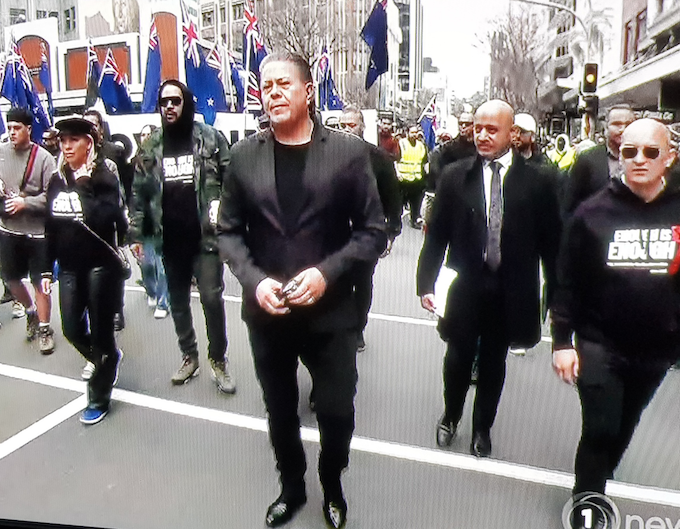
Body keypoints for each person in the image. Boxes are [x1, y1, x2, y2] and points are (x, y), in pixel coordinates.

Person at [218, 51, 386, 529]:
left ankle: (332, 483)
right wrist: (255, 282)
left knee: (337, 412)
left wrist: (326, 274)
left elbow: (373, 231)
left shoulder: (349, 154)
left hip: (331, 313)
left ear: (308, 91)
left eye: (282, 84)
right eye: (265, 86)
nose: (272, 93)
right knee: (279, 411)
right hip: (268, 313)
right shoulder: (242, 156)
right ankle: (291, 487)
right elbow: (228, 232)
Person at [551, 119, 680, 529]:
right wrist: (561, 341)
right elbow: (567, 281)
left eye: (650, 152)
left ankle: (598, 477)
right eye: (629, 152)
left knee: (625, 424)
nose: (639, 160)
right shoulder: (592, 213)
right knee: (601, 426)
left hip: (658, 349)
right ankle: (586, 504)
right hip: (600, 343)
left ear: (670, 158)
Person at [416, 100, 562, 458]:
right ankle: (451, 415)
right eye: (477, 128)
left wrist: (555, 296)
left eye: (491, 129)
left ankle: (482, 428)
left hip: (510, 288)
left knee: (495, 361)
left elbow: (552, 244)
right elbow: (437, 236)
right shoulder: (454, 177)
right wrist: (425, 283)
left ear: (512, 134)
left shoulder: (539, 182)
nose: (481, 135)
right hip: (465, 285)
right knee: (458, 357)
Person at [129, 80, 235, 394]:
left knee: (212, 299)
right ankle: (189, 356)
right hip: (169, 239)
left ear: (186, 103)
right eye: (164, 103)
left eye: (175, 101)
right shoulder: (152, 146)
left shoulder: (210, 138)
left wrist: (228, 221)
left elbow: (231, 181)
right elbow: (140, 192)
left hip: (205, 239)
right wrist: (138, 234)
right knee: (177, 302)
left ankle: (218, 360)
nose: (169, 107)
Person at [43, 117, 126, 424]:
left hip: (100, 267)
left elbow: (107, 221)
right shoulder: (56, 179)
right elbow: (50, 225)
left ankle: (99, 395)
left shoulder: (104, 176)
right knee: (71, 329)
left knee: (103, 334)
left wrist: (84, 186)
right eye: (62, 140)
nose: (66, 146)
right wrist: (43, 267)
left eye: (73, 140)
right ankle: (107, 360)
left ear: (88, 144)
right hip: (67, 267)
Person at [339, 106, 401, 352]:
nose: (345, 130)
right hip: (335, 233)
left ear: (362, 127)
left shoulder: (379, 158)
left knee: (362, 282)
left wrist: (391, 230)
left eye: (350, 125)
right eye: (341, 125)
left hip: (367, 232)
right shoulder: (327, 155)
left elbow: (392, 197)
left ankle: (357, 329)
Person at [0, 107, 57, 354]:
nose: (12, 132)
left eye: (17, 128)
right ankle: (30, 312)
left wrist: (27, 202)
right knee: (11, 279)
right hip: (8, 229)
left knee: (40, 282)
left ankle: (45, 329)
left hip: (38, 232)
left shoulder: (44, 158)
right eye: (9, 128)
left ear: (29, 130)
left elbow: (54, 197)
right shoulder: (0, 154)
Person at [84, 109, 132, 332]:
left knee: (113, 265)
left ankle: (117, 309)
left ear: (101, 129)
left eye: (93, 125)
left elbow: (125, 184)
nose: (90, 129)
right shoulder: (72, 155)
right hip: (84, 223)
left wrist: (125, 214)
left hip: (111, 219)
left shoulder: (113, 153)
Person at [563, 104, 636, 216]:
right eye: (617, 124)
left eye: (628, 124)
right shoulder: (588, 159)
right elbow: (570, 204)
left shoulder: (647, 158)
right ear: (606, 127)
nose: (623, 129)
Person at [131, 124, 168, 319]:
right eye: (142, 134)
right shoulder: (136, 162)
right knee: (146, 264)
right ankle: (152, 291)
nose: (144, 137)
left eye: (149, 134)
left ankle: (163, 301)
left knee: (162, 266)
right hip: (145, 222)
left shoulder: (164, 159)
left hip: (163, 222)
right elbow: (134, 196)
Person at [396, 125, 428, 228]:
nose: (414, 135)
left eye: (415, 132)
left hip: (417, 179)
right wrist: (398, 173)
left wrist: (428, 175)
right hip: (403, 179)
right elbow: (395, 160)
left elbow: (425, 161)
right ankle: (396, 221)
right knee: (400, 202)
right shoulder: (402, 144)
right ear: (407, 133)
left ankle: (415, 220)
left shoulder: (421, 145)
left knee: (416, 202)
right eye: (412, 132)